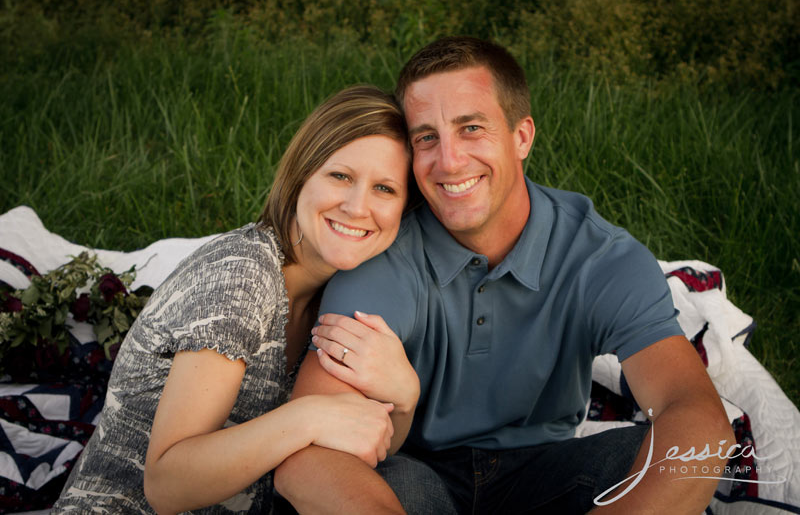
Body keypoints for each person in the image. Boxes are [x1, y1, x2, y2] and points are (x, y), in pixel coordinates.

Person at [273, 37, 735, 514]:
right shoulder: (381, 256)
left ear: (522, 137)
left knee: (651, 459)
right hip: (414, 472)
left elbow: (695, 413)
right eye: (426, 137)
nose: (449, 161)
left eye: (471, 128)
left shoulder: (600, 258)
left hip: (548, 469)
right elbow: (307, 453)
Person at [52, 85, 420, 514]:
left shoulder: (340, 292)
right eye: (340, 176)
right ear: (302, 174)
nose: (358, 207)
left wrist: (405, 395)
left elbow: (366, 445)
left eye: (385, 189)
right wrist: (310, 417)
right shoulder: (241, 276)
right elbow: (167, 485)